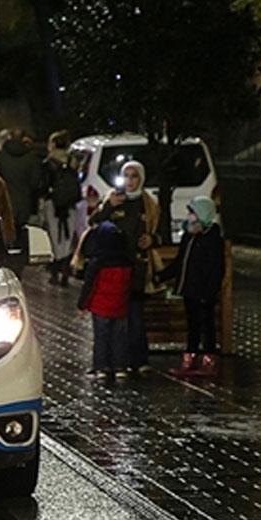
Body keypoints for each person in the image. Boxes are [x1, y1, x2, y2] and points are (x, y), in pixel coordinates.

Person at [90, 160, 160, 374]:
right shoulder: (113, 199)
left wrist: (151, 239)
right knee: (113, 319)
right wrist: (109, 205)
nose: (129, 181)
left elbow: (159, 230)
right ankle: (110, 362)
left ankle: (138, 360)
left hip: (138, 267)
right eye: (126, 176)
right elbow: (94, 223)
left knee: (135, 317)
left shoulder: (149, 203)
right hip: (114, 268)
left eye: (134, 176)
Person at [158, 196, 228, 376]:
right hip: (190, 289)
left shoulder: (211, 237)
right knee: (193, 324)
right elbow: (180, 261)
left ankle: (208, 358)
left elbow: (216, 267)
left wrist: (211, 289)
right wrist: (162, 276)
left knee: (206, 324)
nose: (189, 216)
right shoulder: (189, 236)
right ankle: (191, 358)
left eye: (192, 213)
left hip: (204, 290)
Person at [77, 222, 134, 380]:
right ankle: (119, 367)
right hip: (120, 306)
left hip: (100, 307)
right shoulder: (127, 261)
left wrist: (81, 305)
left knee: (101, 338)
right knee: (119, 338)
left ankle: (101, 367)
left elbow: (90, 285)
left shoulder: (98, 262)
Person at [39, 132, 82, 285]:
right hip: (70, 205)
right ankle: (65, 272)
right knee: (68, 238)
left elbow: (42, 186)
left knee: (54, 237)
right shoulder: (72, 162)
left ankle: (55, 273)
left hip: (53, 205)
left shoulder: (49, 163)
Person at [0, 130, 43, 241]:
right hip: (24, 201)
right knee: (22, 235)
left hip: (4, 201)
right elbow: (35, 182)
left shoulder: (0, 156)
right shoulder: (31, 158)